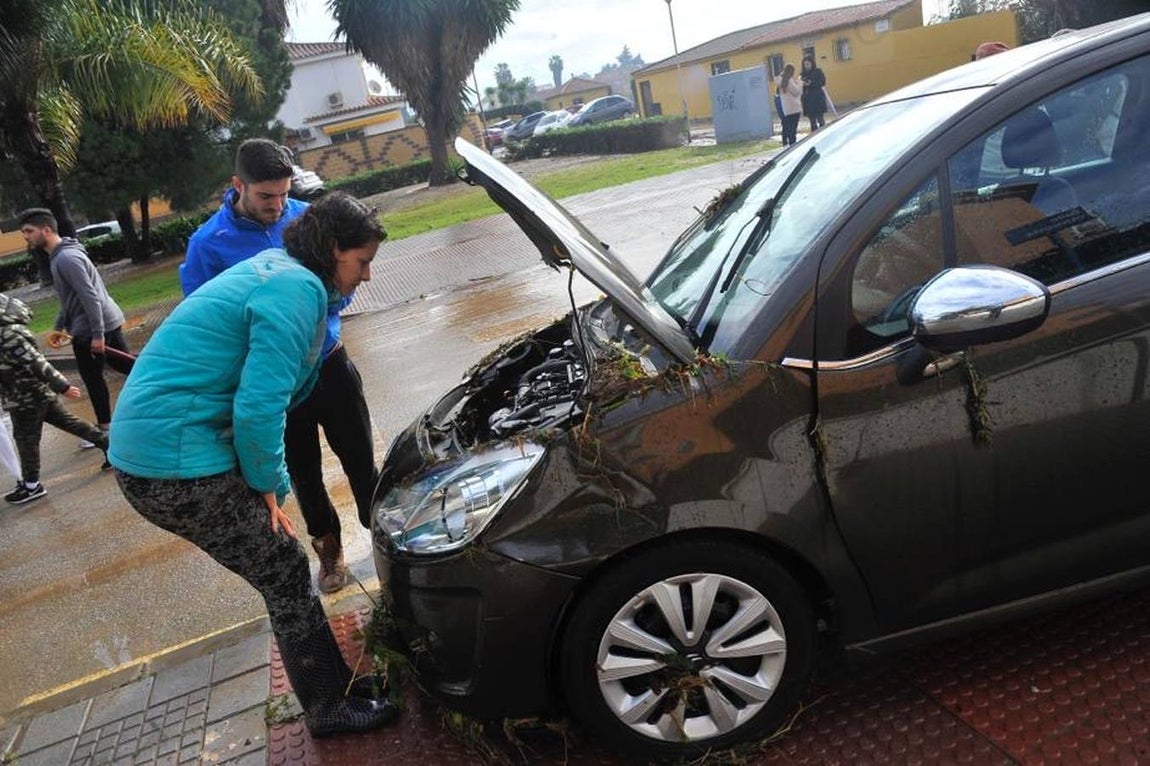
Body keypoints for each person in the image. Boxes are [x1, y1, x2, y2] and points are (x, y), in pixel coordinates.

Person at [108, 192, 398, 737]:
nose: (366, 276)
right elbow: (260, 406)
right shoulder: (296, 288)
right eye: (362, 262)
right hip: (168, 466)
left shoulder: (284, 272)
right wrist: (270, 484)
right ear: (334, 249)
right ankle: (328, 711)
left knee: (282, 570)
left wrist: (258, 481)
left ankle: (341, 688)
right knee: (286, 572)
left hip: (162, 453)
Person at [181, 138, 377, 595]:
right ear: (238, 186)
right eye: (266, 196)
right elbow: (206, 315)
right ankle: (328, 547)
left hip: (329, 365)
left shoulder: (311, 219)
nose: (278, 205)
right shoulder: (208, 245)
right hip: (276, 384)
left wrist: (317, 316)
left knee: (362, 458)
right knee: (302, 472)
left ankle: (384, 531)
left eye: (284, 193)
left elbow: (345, 283)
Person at [16, 208, 134, 446]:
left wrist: (97, 334)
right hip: (99, 322)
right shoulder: (62, 255)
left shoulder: (66, 258)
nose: (26, 237)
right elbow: (71, 298)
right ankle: (171, 378)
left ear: (46, 230)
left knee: (93, 378)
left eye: (29, 231)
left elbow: (89, 296)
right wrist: (60, 326)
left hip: (93, 328)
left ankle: (105, 429)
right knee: (125, 364)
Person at [0, 293, 109, 504]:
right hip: (33, 394)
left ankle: (32, 485)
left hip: (27, 398)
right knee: (70, 423)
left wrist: (63, 386)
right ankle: (109, 444)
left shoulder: (8, 335)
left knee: (26, 440)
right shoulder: (7, 333)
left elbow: (37, 363)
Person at [776, 63, 803, 146]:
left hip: (786, 109)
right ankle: (793, 145)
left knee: (787, 127)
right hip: (794, 108)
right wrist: (800, 82)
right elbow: (797, 92)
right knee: (793, 129)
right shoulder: (789, 80)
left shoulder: (780, 81)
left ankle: (785, 144)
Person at [800, 55, 828, 133]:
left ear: (812, 63)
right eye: (805, 64)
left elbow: (822, 82)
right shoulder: (802, 74)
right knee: (812, 122)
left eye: (808, 64)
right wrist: (802, 84)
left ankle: (824, 133)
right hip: (808, 100)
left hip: (817, 98)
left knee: (820, 120)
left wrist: (811, 83)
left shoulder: (818, 71)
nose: (806, 66)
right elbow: (800, 86)